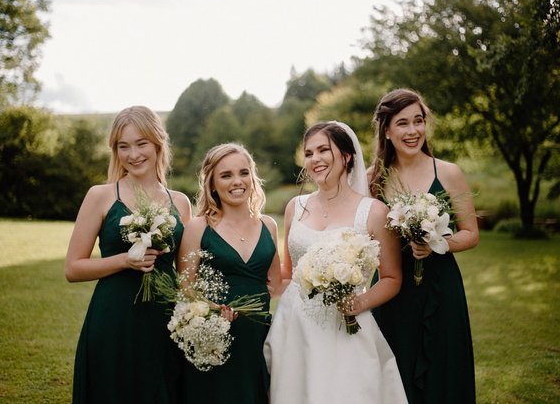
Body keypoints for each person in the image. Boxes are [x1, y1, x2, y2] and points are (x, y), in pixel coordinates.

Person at [264, 121, 409, 404]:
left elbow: (392, 278)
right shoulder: (296, 206)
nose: (315, 159)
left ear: (346, 156)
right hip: (295, 325)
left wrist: (361, 302)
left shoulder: (375, 212)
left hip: (346, 323)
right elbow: (288, 273)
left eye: (323, 150)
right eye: (308, 153)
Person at [65, 105, 191, 403]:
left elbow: (186, 273)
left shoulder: (181, 203)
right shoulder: (101, 196)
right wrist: (124, 260)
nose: (133, 154)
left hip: (163, 319)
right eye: (124, 146)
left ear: (158, 143)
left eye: (141, 144)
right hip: (114, 318)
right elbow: (73, 268)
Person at [369, 88, 479, 404]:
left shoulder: (447, 172)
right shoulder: (372, 179)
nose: (414, 130)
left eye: (419, 121)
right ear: (387, 131)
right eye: (403, 123)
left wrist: (437, 243)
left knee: (445, 372)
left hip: (441, 291)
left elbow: (471, 234)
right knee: (395, 373)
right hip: (393, 293)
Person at [178, 143, 282, 404]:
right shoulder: (198, 227)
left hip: (258, 337)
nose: (238, 182)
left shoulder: (268, 225)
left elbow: (276, 283)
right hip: (215, 337)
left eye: (244, 173)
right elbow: (185, 287)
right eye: (226, 175)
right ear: (212, 183)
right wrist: (210, 310)